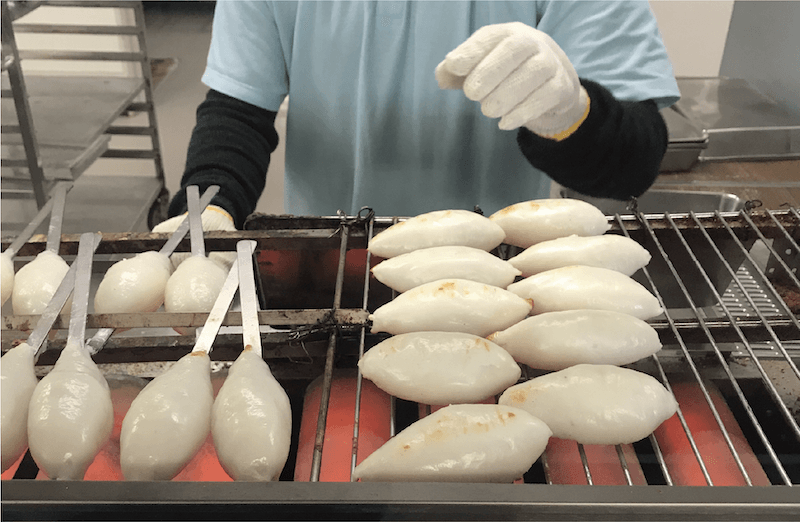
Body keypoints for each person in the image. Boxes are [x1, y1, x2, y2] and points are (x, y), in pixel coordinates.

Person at [160, 0, 679, 232]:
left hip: (505, 275)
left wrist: (571, 115)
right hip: (329, 268)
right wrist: (206, 208)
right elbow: (239, 110)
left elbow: (634, 163)